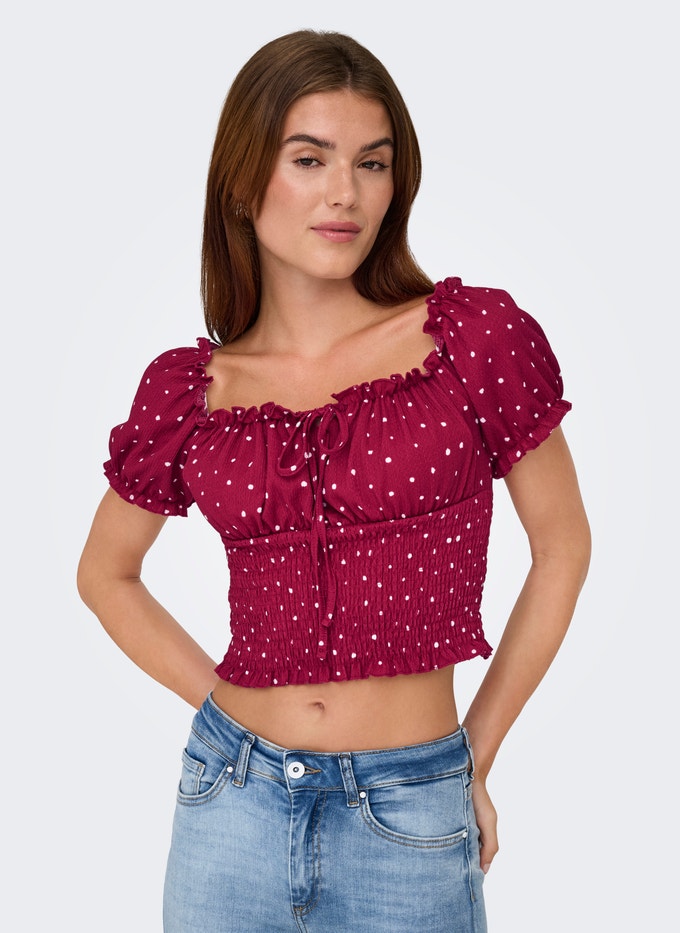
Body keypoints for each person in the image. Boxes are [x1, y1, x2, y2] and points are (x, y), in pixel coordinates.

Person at [77, 28, 591, 933]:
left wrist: (475, 753)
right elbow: (105, 573)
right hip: (228, 808)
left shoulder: (468, 342)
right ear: (245, 181)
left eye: (372, 162)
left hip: (409, 810)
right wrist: (223, 709)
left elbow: (563, 547)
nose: (345, 193)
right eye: (309, 159)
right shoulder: (193, 390)